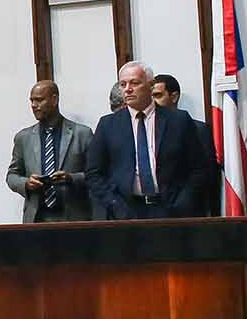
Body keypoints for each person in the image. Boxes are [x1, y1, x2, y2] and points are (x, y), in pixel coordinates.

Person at [87, 60, 213, 219]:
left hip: (171, 209)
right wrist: (115, 205)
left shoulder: (178, 120)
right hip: (126, 211)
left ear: (151, 85)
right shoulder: (108, 125)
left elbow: (199, 168)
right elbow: (94, 173)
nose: (128, 89)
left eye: (134, 83)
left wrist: (182, 204)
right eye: (123, 84)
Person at [7, 80, 94, 222]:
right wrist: (26, 183)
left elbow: (96, 175)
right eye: (32, 101)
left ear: (54, 100)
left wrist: (71, 178)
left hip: (74, 218)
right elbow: (12, 175)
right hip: (36, 219)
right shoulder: (23, 137)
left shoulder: (82, 134)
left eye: (39, 100)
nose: (34, 105)